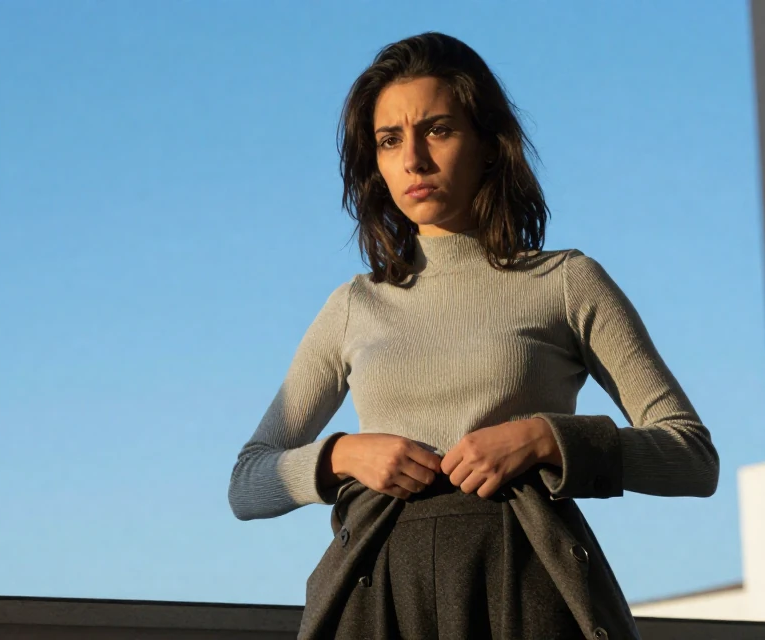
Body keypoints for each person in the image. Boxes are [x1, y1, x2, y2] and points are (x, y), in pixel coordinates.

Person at [227, 32, 719, 640]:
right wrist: (343, 456)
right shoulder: (354, 304)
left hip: (528, 591)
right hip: (378, 598)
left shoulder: (567, 281)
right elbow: (249, 482)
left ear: (489, 145)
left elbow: (693, 458)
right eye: (389, 140)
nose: (414, 159)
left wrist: (546, 440)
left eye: (437, 130)